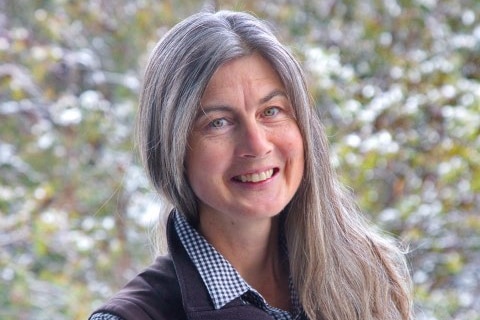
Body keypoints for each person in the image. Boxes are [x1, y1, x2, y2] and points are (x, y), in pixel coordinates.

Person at [89, 10, 413, 320]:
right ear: (173, 150)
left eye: (271, 111)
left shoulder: (367, 278)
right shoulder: (132, 317)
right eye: (218, 123)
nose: (257, 144)